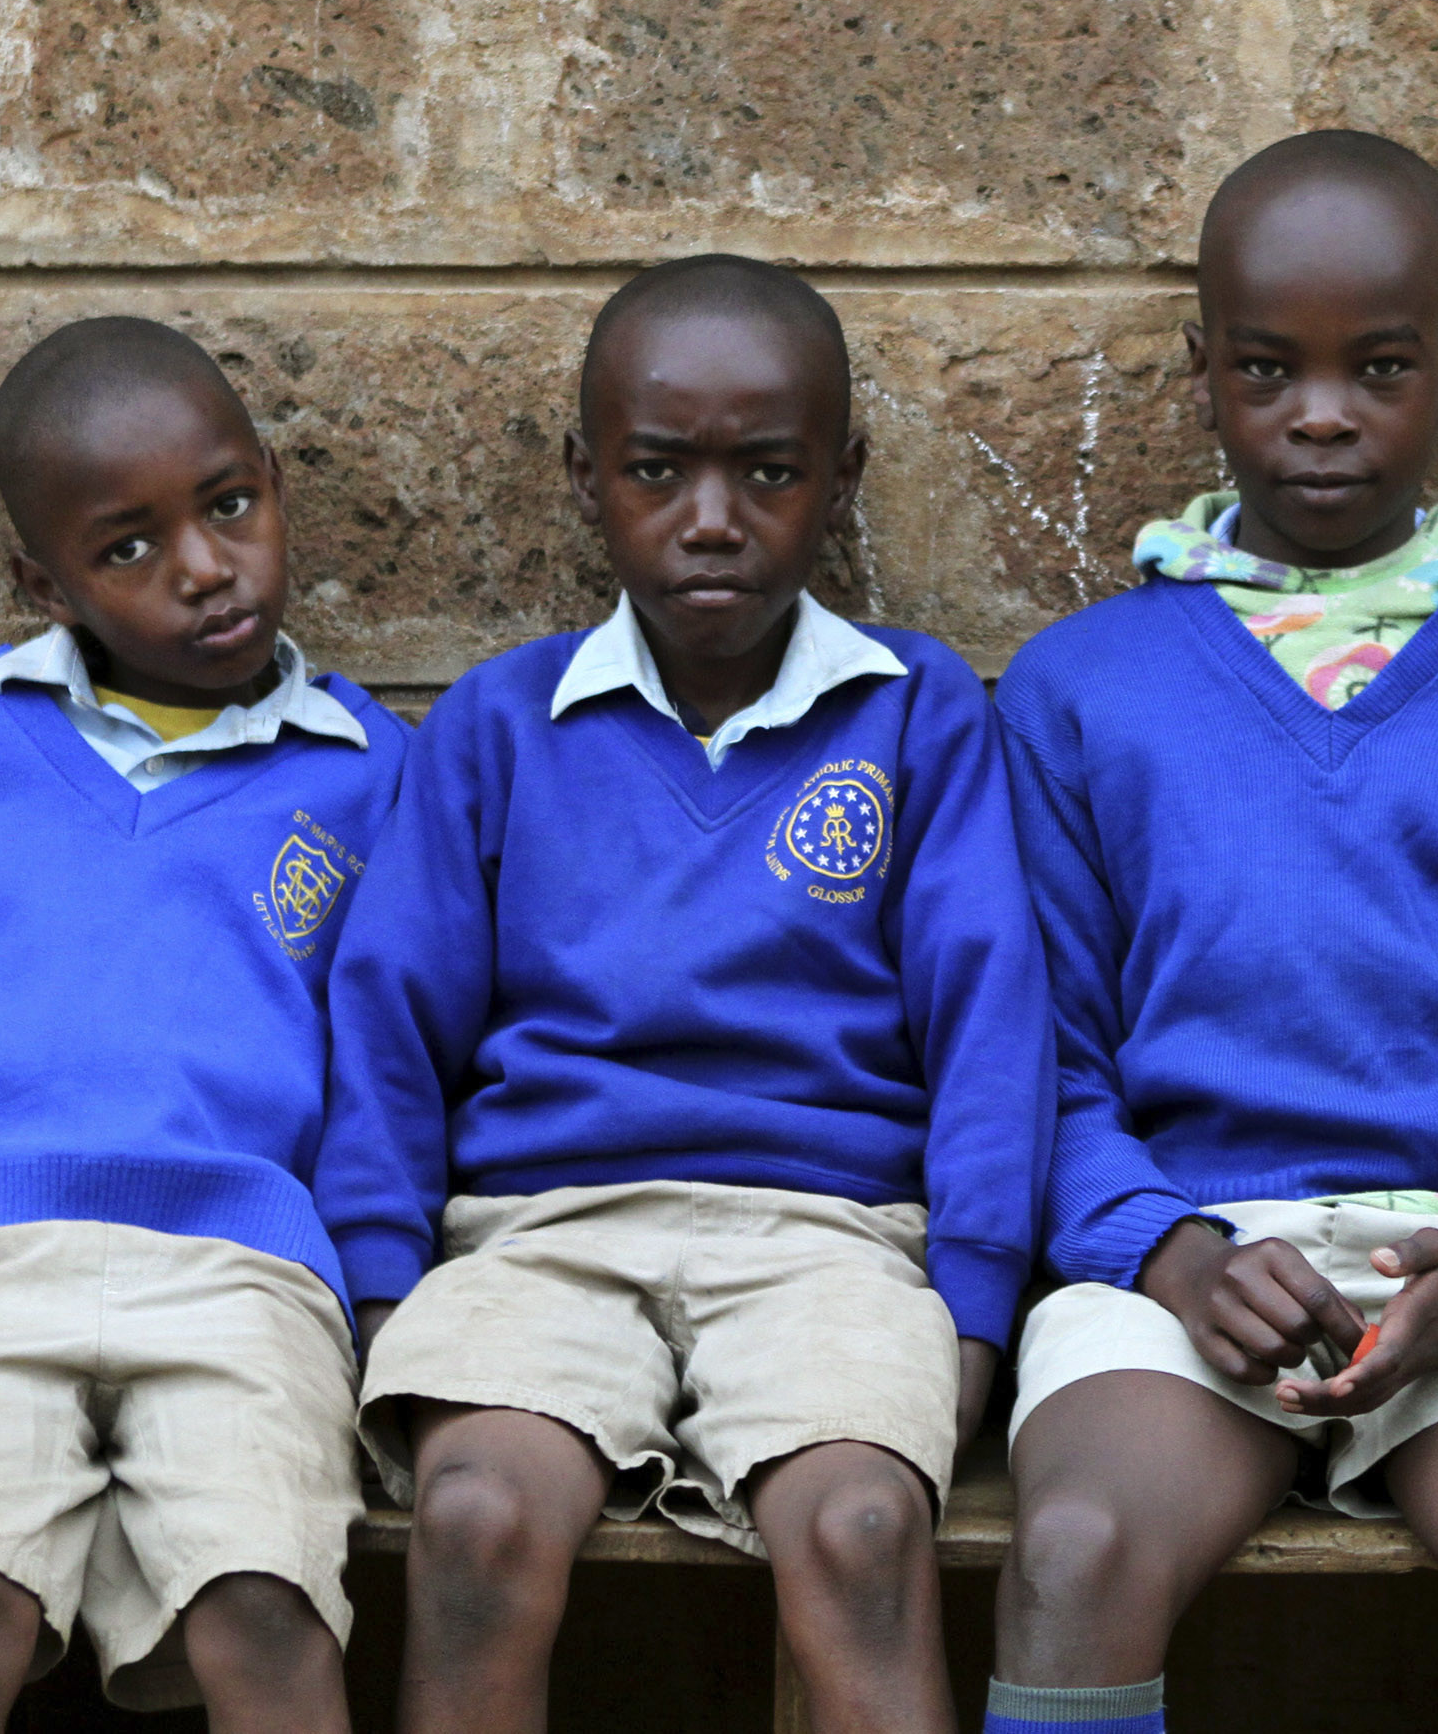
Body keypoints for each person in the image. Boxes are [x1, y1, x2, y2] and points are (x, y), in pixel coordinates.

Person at [985, 133, 1438, 1734]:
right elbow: (1035, 1068)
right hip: (1183, 1254)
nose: (1321, 412)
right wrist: (1168, 1249)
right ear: (1204, 374)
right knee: (1075, 1543)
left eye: (1378, 367)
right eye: (1268, 368)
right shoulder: (1079, 688)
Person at [317, 255, 1050, 1734]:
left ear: (840, 477)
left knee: (857, 1531)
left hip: (829, 1237)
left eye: (767, 471)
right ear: (587, 477)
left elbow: (991, 1019)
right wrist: (385, 1282)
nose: (712, 518)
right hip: (541, 1232)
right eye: (660, 470)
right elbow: (392, 1020)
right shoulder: (500, 724)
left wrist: (973, 1306)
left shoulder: (917, 713)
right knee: (469, 1521)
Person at [0, 316, 407, 1734]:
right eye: (128, 546)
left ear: (273, 485)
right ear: (39, 579)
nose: (201, 564)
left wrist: (359, 1282)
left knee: (267, 1604)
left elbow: (388, 1069)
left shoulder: (368, 776)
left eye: (229, 504)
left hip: (241, 1268)